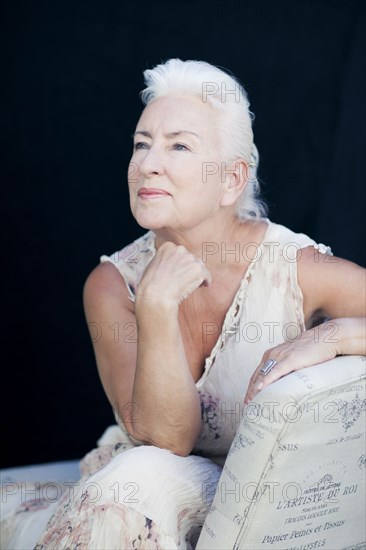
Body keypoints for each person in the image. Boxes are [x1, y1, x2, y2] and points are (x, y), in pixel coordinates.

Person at [1, 58, 365, 549]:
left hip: (260, 511)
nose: (149, 163)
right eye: (141, 144)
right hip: (129, 507)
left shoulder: (291, 269)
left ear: (232, 180)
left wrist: (332, 335)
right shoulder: (112, 284)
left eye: (179, 146)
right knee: (144, 473)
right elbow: (167, 438)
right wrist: (155, 307)